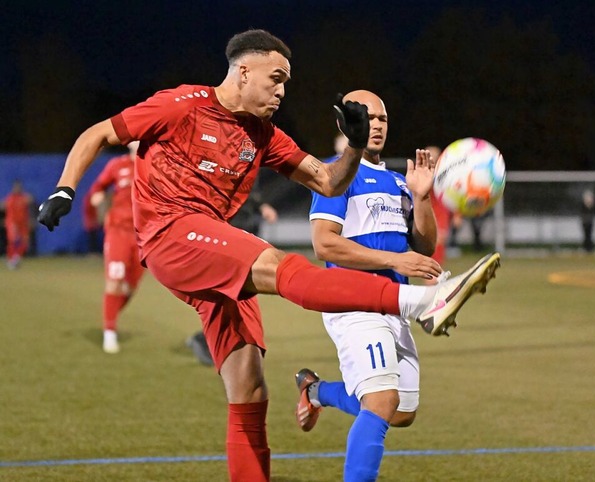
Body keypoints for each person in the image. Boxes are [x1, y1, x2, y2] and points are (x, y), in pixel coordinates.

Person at [37, 29, 500, 482]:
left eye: (286, 83)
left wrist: (355, 147)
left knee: (251, 392)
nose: (282, 90)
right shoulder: (182, 104)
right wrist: (64, 188)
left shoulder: (264, 134)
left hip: (210, 250)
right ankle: (424, 302)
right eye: (275, 78)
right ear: (243, 71)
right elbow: (98, 133)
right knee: (278, 264)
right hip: (170, 232)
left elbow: (328, 181)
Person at [295, 90, 499, 481]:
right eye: (366, 116)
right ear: (345, 123)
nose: (376, 125)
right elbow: (324, 244)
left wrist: (421, 197)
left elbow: (423, 245)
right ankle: (437, 301)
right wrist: (395, 260)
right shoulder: (336, 172)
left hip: (394, 303)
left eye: (382, 118)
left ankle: (316, 391)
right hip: (352, 303)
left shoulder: (396, 181)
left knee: (402, 411)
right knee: (382, 401)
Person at [187, 179, 279, 366]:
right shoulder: (222, 160)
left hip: (245, 226)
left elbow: (249, 188)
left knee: (240, 292)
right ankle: (207, 340)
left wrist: (262, 206)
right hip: (228, 229)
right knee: (227, 290)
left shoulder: (247, 158)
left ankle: (227, 340)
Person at [86, 141, 144, 354]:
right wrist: (97, 196)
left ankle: (109, 318)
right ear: (129, 143)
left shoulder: (156, 165)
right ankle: (109, 332)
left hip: (143, 236)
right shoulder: (116, 165)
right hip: (119, 231)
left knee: (130, 288)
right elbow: (98, 187)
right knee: (114, 282)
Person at [425, 145, 454, 266]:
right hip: (427, 216)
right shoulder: (423, 174)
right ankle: (433, 281)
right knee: (431, 251)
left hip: (441, 216)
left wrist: (457, 214)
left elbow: (454, 194)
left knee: (437, 250)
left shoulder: (446, 174)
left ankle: (434, 280)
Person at [2, 180, 34, 269]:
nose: (18, 189)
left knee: (24, 242)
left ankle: (16, 259)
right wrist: (12, 224)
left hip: (23, 223)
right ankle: (11, 259)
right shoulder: (11, 199)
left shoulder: (23, 198)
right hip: (13, 223)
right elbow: (7, 210)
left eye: (19, 187)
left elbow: (29, 202)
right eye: (16, 187)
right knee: (13, 241)